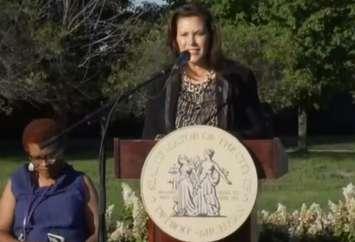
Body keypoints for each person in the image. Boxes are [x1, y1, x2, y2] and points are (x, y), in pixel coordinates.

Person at [143, 2, 270, 139]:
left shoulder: (238, 78)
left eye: (198, 34)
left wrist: (231, 139)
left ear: (210, 36)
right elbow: (147, 141)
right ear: (175, 40)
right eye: (184, 35)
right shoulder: (161, 84)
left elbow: (260, 131)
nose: (191, 42)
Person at [0, 119, 98, 242]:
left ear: (60, 150)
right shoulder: (18, 182)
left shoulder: (80, 183)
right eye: (37, 158)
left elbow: (98, 233)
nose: (45, 164)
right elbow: (1, 231)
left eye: (51, 156)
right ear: (29, 155)